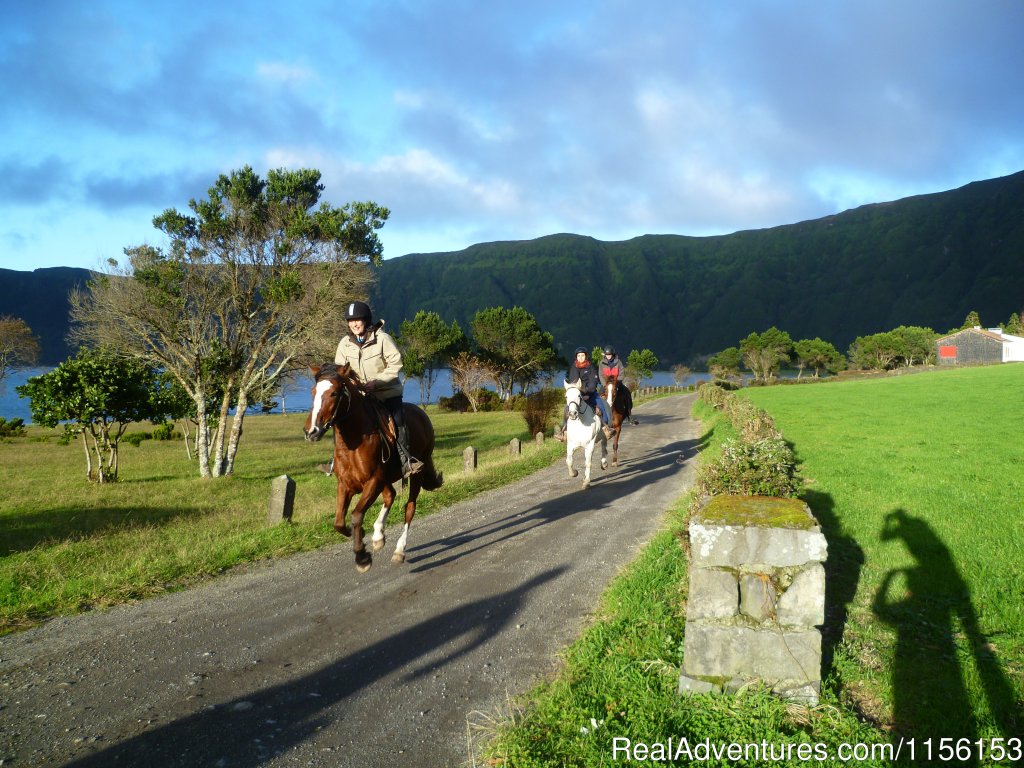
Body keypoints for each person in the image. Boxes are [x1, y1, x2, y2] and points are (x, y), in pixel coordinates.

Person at [322, 300, 423, 478]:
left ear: (366, 320)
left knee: (398, 421)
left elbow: (396, 364)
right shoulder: (344, 344)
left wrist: (377, 382)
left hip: (386, 393)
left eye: (358, 320)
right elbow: (340, 371)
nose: (354, 324)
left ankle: (406, 460)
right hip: (359, 397)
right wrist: (350, 384)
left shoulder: (383, 339)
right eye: (350, 320)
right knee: (339, 422)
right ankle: (335, 462)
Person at [557, 346, 615, 442]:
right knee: (567, 408)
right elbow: (573, 381)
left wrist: (588, 391)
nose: (580, 358)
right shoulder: (574, 368)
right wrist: (580, 393)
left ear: (586, 356)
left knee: (601, 406)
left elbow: (594, 381)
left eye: (582, 355)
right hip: (578, 394)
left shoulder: (591, 367)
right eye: (578, 356)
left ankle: (606, 428)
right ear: (576, 357)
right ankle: (564, 432)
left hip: (591, 393)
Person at [599, 345, 639, 425]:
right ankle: (597, 415)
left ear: (613, 354)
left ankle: (629, 415)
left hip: (616, 383)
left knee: (627, 393)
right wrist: (604, 385)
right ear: (605, 355)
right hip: (606, 384)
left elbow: (621, 373)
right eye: (607, 355)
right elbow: (600, 375)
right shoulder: (601, 363)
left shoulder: (618, 362)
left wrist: (617, 382)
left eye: (610, 355)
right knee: (598, 396)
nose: (608, 356)